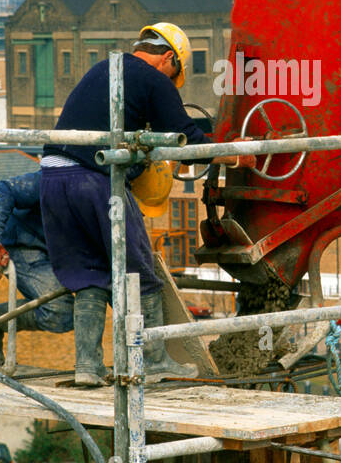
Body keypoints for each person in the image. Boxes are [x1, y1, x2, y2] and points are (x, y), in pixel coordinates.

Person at [39, 23, 247, 387]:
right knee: (139, 271)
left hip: (53, 178)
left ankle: (87, 367)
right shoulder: (155, 80)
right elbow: (187, 140)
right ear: (169, 58)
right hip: (95, 179)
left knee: (87, 276)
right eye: (175, 74)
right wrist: (234, 155)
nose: (172, 81)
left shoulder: (104, 69)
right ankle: (153, 361)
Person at [0, 169, 75, 365]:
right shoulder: (59, 178)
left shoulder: (122, 190)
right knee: (59, 312)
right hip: (26, 242)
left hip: (60, 247)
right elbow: (4, 190)